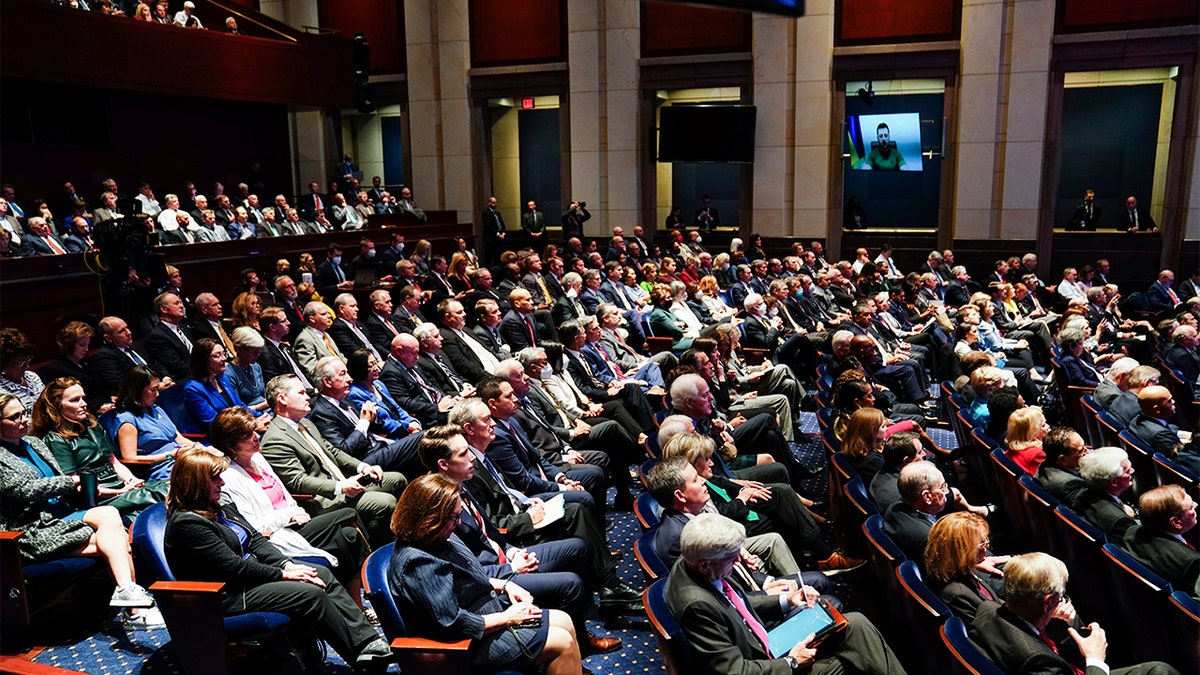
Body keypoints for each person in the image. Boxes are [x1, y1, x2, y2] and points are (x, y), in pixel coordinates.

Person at [163, 449, 391, 670]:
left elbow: (253, 538)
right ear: (195, 483)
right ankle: (362, 656)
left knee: (318, 573)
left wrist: (286, 564)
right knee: (309, 592)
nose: (221, 483)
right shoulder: (188, 523)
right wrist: (284, 574)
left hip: (247, 578)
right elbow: (234, 568)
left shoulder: (217, 503)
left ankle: (369, 641)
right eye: (214, 479)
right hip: (225, 595)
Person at [665, 512, 907, 675]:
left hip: (762, 642)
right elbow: (735, 671)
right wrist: (791, 662)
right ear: (706, 565)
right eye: (732, 557)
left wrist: (786, 599)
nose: (738, 560)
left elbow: (734, 602)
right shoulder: (696, 605)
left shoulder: (692, 558)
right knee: (850, 659)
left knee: (855, 623)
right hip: (763, 663)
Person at [387, 473, 582, 673]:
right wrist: (508, 618)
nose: (459, 523)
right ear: (430, 518)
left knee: (564, 620)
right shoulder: (418, 563)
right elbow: (453, 622)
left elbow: (466, 577)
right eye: (453, 518)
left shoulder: (436, 537)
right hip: (467, 645)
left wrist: (505, 585)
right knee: (562, 643)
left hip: (487, 613)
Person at [0, 393, 165, 631]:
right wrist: (70, 481)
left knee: (108, 515)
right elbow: (24, 490)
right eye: (14, 417)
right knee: (119, 544)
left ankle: (129, 597)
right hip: (30, 530)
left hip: (61, 516)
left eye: (24, 413)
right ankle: (135, 611)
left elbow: (56, 478)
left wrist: (80, 487)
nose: (24, 420)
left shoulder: (34, 443)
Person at [209, 407, 372, 606]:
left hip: (296, 524)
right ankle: (368, 588)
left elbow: (285, 496)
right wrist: (289, 514)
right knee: (348, 512)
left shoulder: (258, 458)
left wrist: (295, 510)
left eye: (254, 431)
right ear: (231, 445)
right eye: (247, 436)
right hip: (277, 536)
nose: (255, 437)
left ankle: (358, 604)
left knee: (349, 536)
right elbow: (253, 526)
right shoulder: (229, 478)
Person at [970, 552, 1177, 675]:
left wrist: (1066, 619)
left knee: (1157, 670)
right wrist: (1095, 660)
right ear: (1048, 601)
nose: (1063, 600)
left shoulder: (986, 609)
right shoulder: (1037, 659)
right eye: (1061, 595)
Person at [259, 374, 405, 546]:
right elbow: (297, 481)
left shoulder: (305, 423)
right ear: (282, 399)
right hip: (324, 499)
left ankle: (397, 535)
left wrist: (363, 467)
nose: (308, 397)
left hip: (345, 481)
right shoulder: (275, 439)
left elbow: (333, 451)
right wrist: (340, 487)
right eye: (301, 393)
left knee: (397, 479)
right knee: (386, 502)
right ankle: (385, 549)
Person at [32, 378, 169, 518]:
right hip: (99, 499)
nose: (84, 404)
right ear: (57, 406)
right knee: (165, 493)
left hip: (120, 487)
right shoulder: (56, 439)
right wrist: (120, 491)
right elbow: (77, 486)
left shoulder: (92, 425)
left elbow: (113, 462)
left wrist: (133, 480)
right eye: (75, 400)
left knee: (176, 484)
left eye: (83, 398)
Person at [101, 366, 198, 482]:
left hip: (182, 459)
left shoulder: (155, 409)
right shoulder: (127, 420)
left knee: (215, 462)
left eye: (158, 389)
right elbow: (130, 458)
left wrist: (198, 447)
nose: (157, 394)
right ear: (137, 390)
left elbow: (178, 437)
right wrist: (170, 455)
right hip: (162, 469)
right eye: (153, 390)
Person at [924, 511, 1004, 623]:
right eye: (982, 543)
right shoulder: (958, 595)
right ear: (962, 551)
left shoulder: (958, 567)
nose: (986, 548)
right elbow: (991, 628)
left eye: (986, 540)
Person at [1122, 485, 1199, 599]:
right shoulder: (1191, 562)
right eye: (1191, 507)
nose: (1196, 504)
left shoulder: (1132, 532)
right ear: (1176, 522)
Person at [181, 339, 267, 434]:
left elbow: (240, 406)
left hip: (237, 428)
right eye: (217, 356)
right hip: (215, 436)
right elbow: (213, 423)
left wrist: (260, 416)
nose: (224, 358)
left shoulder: (222, 377)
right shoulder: (193, 389)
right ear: (203, 360)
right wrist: (252, 425)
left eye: (224, 353)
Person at [0, 328, 44, 411]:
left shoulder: (32, 376)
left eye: (28, 359)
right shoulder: (1, 392)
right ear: (4, 364)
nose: (27, 366)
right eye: (20, 362)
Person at [1004, 406, 1049, 475]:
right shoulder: (1036, 455)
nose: (1048, 426)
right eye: (1043, 425)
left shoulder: (1010, 450)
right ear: (1032, 432)